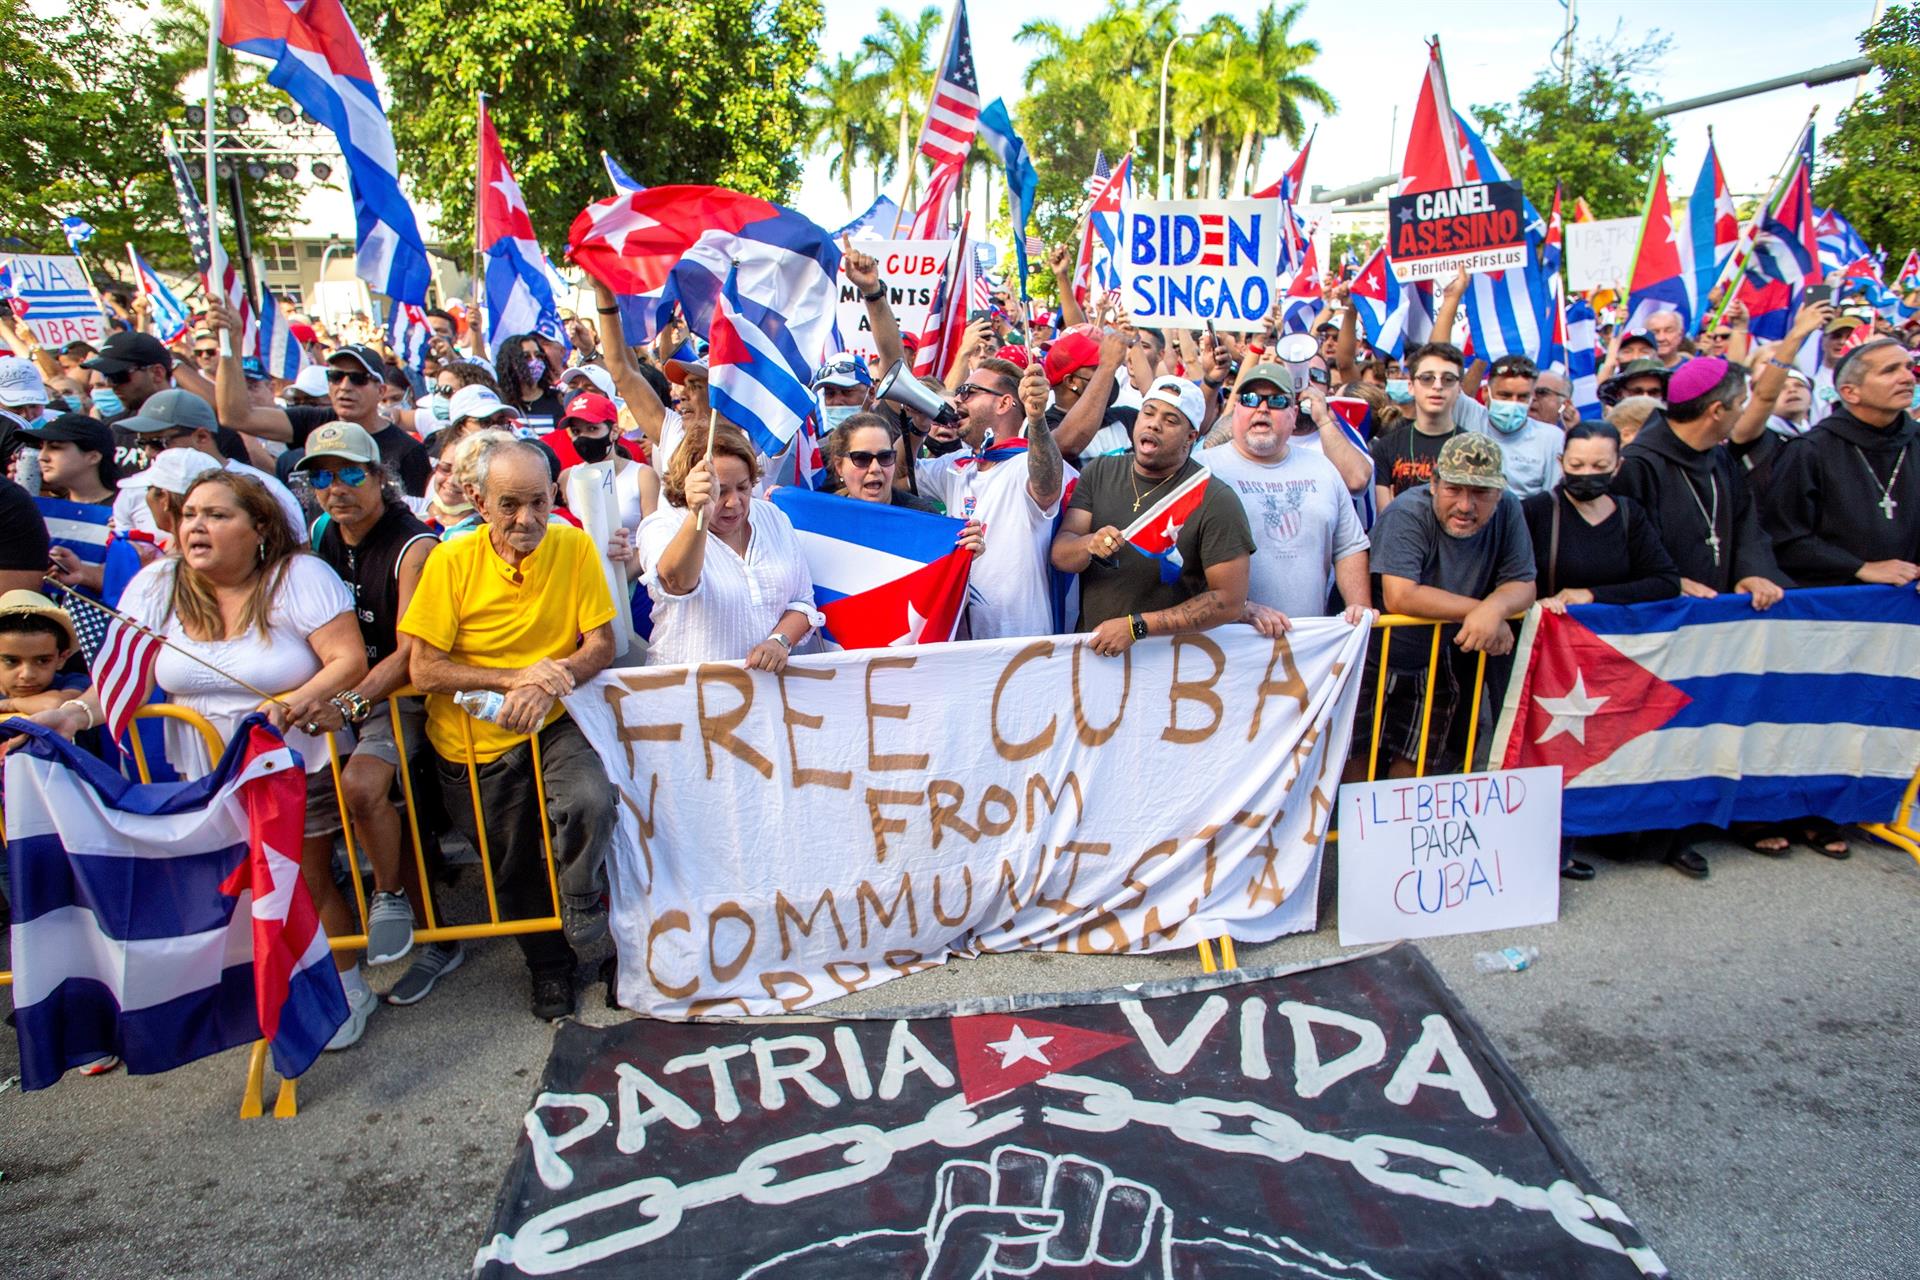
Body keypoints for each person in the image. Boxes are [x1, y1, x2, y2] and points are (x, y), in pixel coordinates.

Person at [30, 471, 375, 1042]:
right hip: (206, 772)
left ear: (259, 526)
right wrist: (72, 714)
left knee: (304, 877)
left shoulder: (298, 577)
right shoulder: (156, 585)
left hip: (292, 762)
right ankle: (269, 986)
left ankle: (344, 984)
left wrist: (291, 705)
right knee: (232, 884)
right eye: (190, 513)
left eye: (217, 515)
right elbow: (125, 680)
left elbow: (347, 660)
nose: (197, 525)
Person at [400, 438, 618, 1019]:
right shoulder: (450, 561)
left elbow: (602, 644)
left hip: (552, 719)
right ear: (477, 499)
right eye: (510, 505)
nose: (527, 520)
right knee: (512, 863)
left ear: (555, 496)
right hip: (473, 743)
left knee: (592, 801)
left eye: (540, 503)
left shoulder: (571, 545)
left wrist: (549, 680)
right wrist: (514, 678)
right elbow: (422, 668)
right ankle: (548, 969)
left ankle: (579, 898)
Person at [1614, 356, 1791, 878]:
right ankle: (1634, 832)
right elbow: (1621, 542)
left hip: (1715, 622)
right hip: (1661, 622)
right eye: (1739, 406)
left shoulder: (1720, 460)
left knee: (1701, 726)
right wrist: (1669, 582)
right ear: (1716, 410)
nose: (1742, 415)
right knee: (1651, 730)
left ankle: (1685, 827)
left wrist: (1751, 573)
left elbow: (1745, 526)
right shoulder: (1641, 463)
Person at [296, 423, 441, 980]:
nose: (337, 488)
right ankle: (383, 912)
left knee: (363, 787)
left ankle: (392, 899)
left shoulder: (414, 545)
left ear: (381, 477)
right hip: (338, 689)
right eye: (323, 477)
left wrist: (352, 704)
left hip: (397, 694)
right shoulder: (321, 532)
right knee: (357, 807)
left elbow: (409, 652)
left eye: (351, 473)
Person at [1521, 421, 1683, 880]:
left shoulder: (1629, 514)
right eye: (1576, 465)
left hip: (1608, 661)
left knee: (1600, 749)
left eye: (1599, 466)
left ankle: (1601, 830)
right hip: (1546, 657)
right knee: (1544, 753)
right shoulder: (1538, 510)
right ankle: (1544, 847)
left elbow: (1663, 579)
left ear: (1618, 467)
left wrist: (1592, 596)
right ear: (1560, 464)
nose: (1586, 473)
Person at [1363, 434, 1537, 778]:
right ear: (1433, 483)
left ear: (1499, 493)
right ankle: (1354, 831)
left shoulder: (1509, 509)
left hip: (1437, 656)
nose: (1466, 506)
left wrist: (1494, 610)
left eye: (1481, 493)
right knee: (1357, 753)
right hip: (1373, 652)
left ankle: (1399, 831)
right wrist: (1482, 610)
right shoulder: (1407, 512)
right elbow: (1400, 594)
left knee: (1418, 756)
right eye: (1454, 489)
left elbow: (1524, 583)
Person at [1052, 376, 1254, 653]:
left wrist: (1137, 627)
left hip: (1173, 662)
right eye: (1148, 413)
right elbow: (1061, 555)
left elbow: (1229, 601)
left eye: (1171, 421)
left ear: (1190, 438)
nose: (1154, 424)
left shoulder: (1215, 499)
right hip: (1097, 654)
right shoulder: (1100, 472)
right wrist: (1088, 544)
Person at [638, 422, 824, 667]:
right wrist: (698, 517)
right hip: (690, 694)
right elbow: (676, 583)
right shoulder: (662, 525)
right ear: (689, 486)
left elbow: (802, 601)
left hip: (765, 693)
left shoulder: (773, 517)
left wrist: (779, 640)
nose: (734, 502)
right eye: (721, 491)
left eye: (743, 487)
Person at [1199, 364, 1370, 628]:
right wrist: (1238, 607)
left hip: (1308, 645)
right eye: (1250, 399)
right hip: (1227, 645)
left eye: (1277, 401)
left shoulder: (1322, 467)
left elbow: (1349, 546)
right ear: (1235, 411)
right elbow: (1178, 558)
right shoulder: (1202, 470)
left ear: (1294, 414)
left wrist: (1359, 608)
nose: (1262, 408)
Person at [915, 357, 1071, 639]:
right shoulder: (957, 465)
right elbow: (901, 475)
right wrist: (917, 425)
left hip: (1021, 643)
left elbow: (1047, 487)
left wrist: (1036, 421)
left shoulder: (1028, 462)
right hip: (959, 639)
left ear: (1003, 403)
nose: (958, 400)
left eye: (969, 392)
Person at [206, 303, 431, 496]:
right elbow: (235, 416)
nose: (344, 386)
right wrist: (231, 345)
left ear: (381, 391)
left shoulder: (407, 451)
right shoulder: (314, 422)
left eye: (358, 379)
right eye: (335, 377)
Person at [1765, 337, 1919, 591]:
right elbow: (1785, 538)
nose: (1907, 378)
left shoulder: (1915, 441)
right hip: (1841, 603)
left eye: (1908, 367)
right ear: (1850, 392)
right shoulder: (1809, 451)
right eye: (1890, 370)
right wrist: (1859, 567)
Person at [117, 389, 308, 541]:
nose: (149, 452)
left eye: (158, 442)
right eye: (143, 443)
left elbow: (295, 555)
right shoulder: (138, 489)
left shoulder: (267, 489)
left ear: (202, 437)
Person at [1371, 343, 1469, 510]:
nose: (1437, 386)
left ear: (1459, 388)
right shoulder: (1386, 446)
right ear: (1411, 386)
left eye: (1448, 379)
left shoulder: (1473, 448)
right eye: (1426, 378)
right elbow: (1386, 516)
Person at [1475, 356, 1565, 499]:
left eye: (1522, 397)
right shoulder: (1470, 419)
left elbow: (1552, 499)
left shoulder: (1551, 438)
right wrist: (1480, 359)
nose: (1513, 403)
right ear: (1486, 392)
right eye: (1505, 395)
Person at [825, 413, 950, 515]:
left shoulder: (924, 517)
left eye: (885, 457)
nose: (875, 468)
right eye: (862, 458)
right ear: (839, 466)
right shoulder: (823, 518)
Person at [495, 332, 568, 431]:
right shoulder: (500, 403)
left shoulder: (558, 400)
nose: (535, 361)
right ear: (510, 363)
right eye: (526, 357)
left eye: (538, 356)